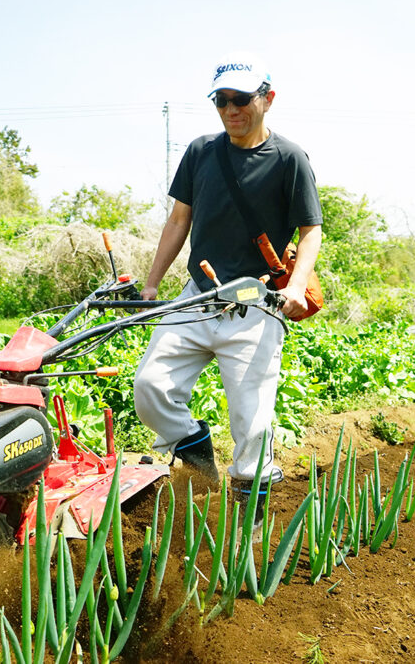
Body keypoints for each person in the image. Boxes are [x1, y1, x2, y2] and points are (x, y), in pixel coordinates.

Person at [133, 52, 323, 512]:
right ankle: (193, 444)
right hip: (198, 296)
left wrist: (295, 287)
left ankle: (249, 530)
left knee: (252, 424)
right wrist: (152, 284)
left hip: (256, 306)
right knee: (150, 386)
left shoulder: (289, 158)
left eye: (241, 99)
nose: (230, 109)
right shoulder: (201, 152)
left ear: (267, 99)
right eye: (221, 100)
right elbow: (179, 219)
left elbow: (311, 229)